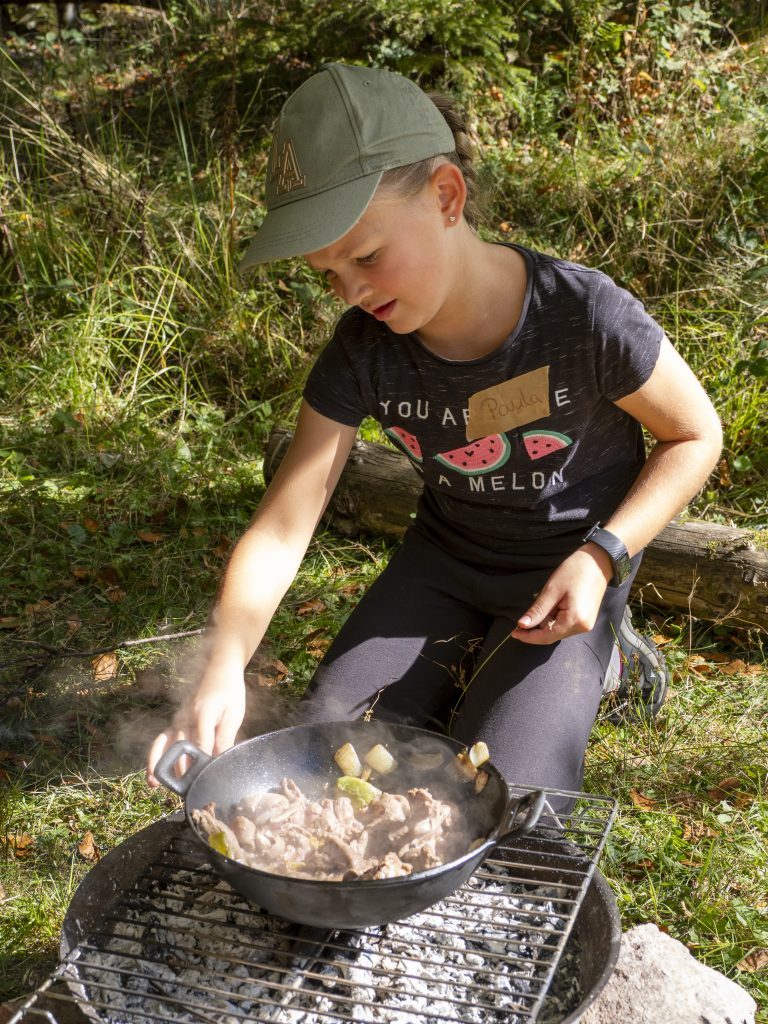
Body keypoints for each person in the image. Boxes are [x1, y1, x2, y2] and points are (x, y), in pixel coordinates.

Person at [146, 63, 722, 800]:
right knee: (331, 760)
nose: (351, 291)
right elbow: (283, 527)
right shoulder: (363, 350)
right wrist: (223, 659)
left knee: (508, 796)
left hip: (567, 569)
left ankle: (607, 656)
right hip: (441, 563)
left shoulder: (583, 315)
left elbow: (695, 435)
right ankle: (478, 663)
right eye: (327, 273)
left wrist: (603, 557)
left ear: (447, 196)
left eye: (365, 256)